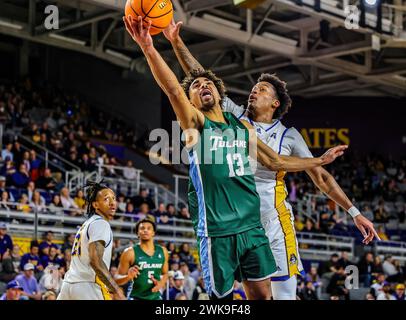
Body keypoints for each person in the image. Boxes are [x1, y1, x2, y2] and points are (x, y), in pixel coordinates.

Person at [123, 15, 346, 300]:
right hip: (218, 231)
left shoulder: (240, 125)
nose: (203, 85)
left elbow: (275, 162)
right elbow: (172, 88)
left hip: (252, 228)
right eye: (196, 86)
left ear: (218, 90)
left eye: (208, 83)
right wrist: (148, 47)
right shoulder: (195, 124)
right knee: (222, 301)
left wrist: (319, 161)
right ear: (190, 101)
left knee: (263, 296)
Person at [57, 181, 125, 300]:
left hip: (68, 285)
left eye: (113, 198)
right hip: (88, 286)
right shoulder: (100, 223)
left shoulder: (86, 224)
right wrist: (116, 290)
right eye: (106, 199)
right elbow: (96, 262)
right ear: (95, 205)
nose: (112, 202)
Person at [116, 219, 169, 300]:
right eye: (142, 228)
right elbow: (116, 279)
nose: (145, 230)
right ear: (137, 233)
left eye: (149, 228)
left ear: (153, 233)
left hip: (155, 297)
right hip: (135, 297)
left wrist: (160, 284)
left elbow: (165, 274)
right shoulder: (129, 252)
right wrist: (128, 277)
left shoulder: (163, 251)